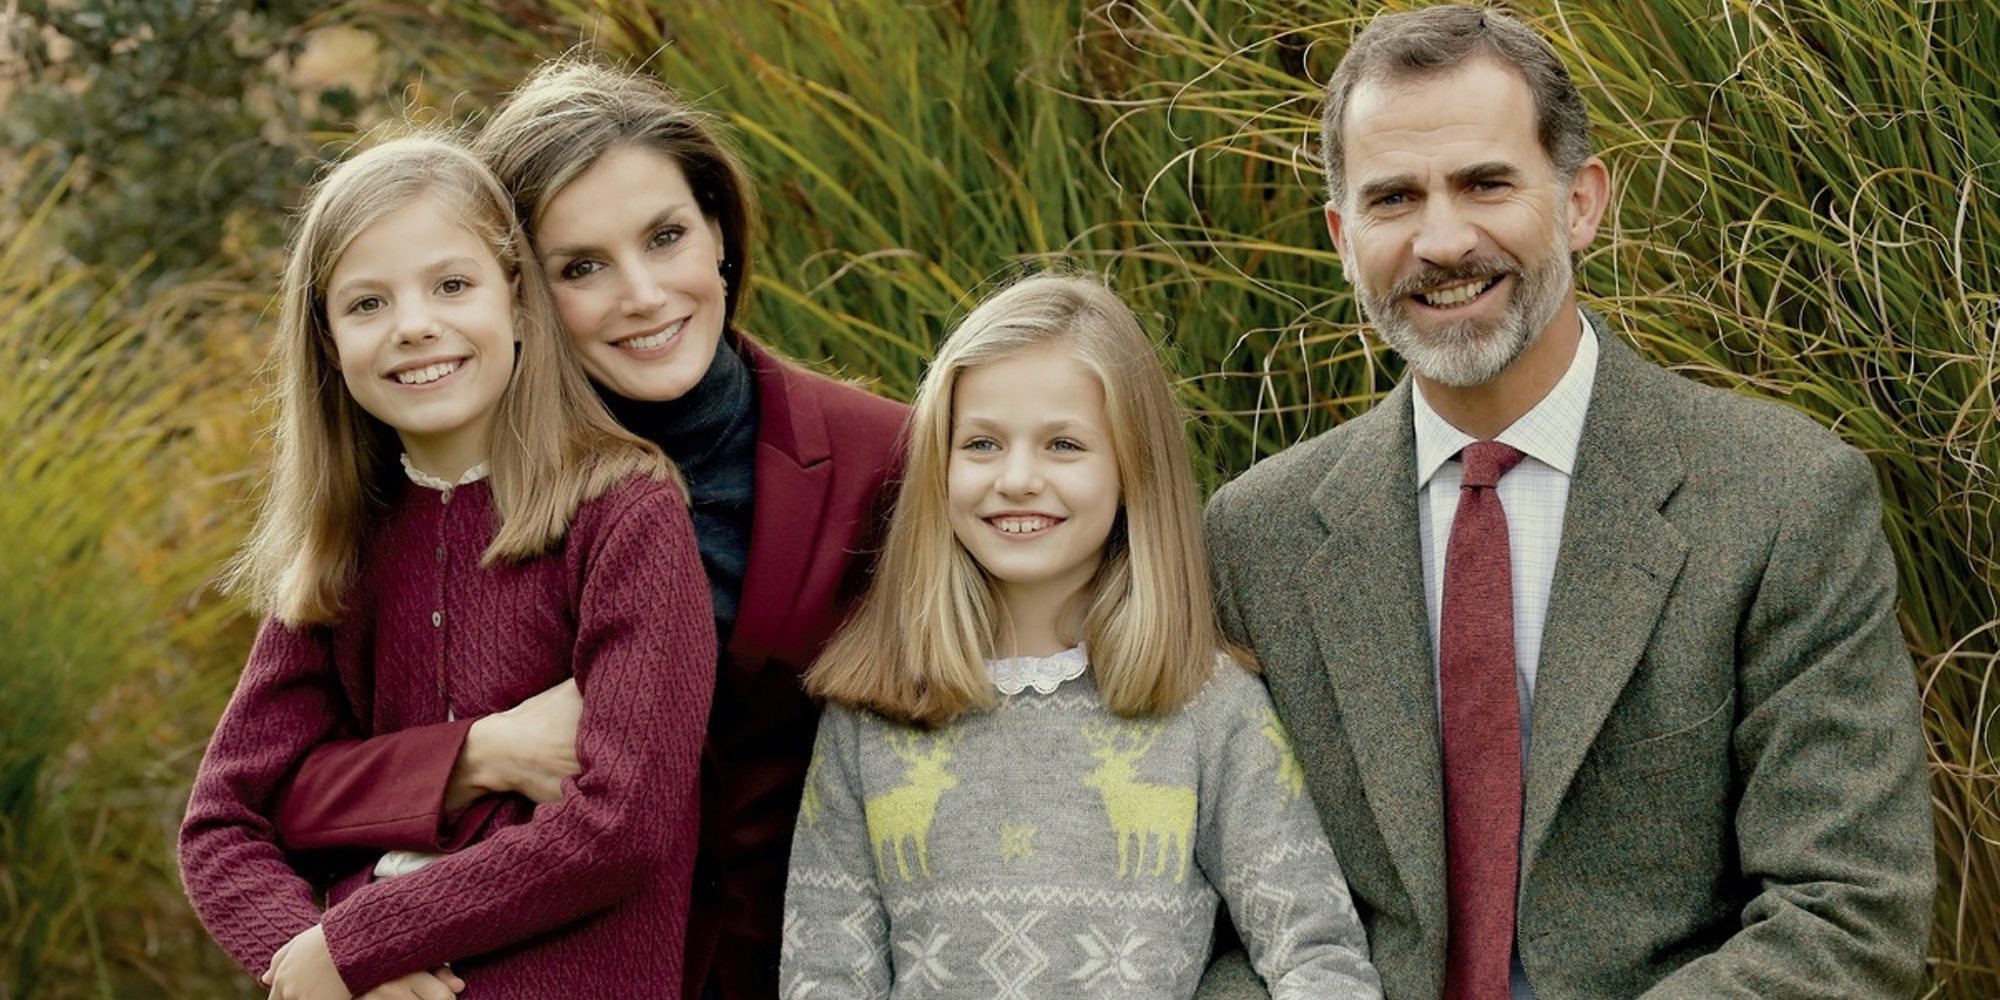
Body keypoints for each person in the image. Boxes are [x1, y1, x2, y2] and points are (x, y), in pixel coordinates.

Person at [1199, 6, 1934, 999]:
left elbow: (1848, 913)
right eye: (1392, 198)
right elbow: (1214, 925)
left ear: (1580, 200)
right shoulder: (1254, 535)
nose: (1441, 239)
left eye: (1484, 182)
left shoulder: (1783, 499)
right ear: (1341, 236)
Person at [260, 59, 909, 1000]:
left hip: (801, 968)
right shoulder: (433, 495)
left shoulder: (886, 458)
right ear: (514, 286)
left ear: (720, 230)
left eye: (666, 236)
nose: (642, 294)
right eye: (582, 267)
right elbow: (270, 790)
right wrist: (474, 754)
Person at [178, 134, 714, 998]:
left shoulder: (624, 513)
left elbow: (623, 825)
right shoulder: (342, 546)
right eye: (367, 304)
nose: (414, 324)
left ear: (519, 300)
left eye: (452, 285)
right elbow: (220, 822)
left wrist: (356, 944)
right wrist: (318, 956)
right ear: (325, 341)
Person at [780, 273, 1383, 999]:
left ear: (1133, 470)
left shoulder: (1208, 705)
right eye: (981, 444)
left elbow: (1316, 952)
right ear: (938, 468)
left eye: (1063, 444)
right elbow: (824, 975)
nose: (1019, 478)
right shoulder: (869, 715)